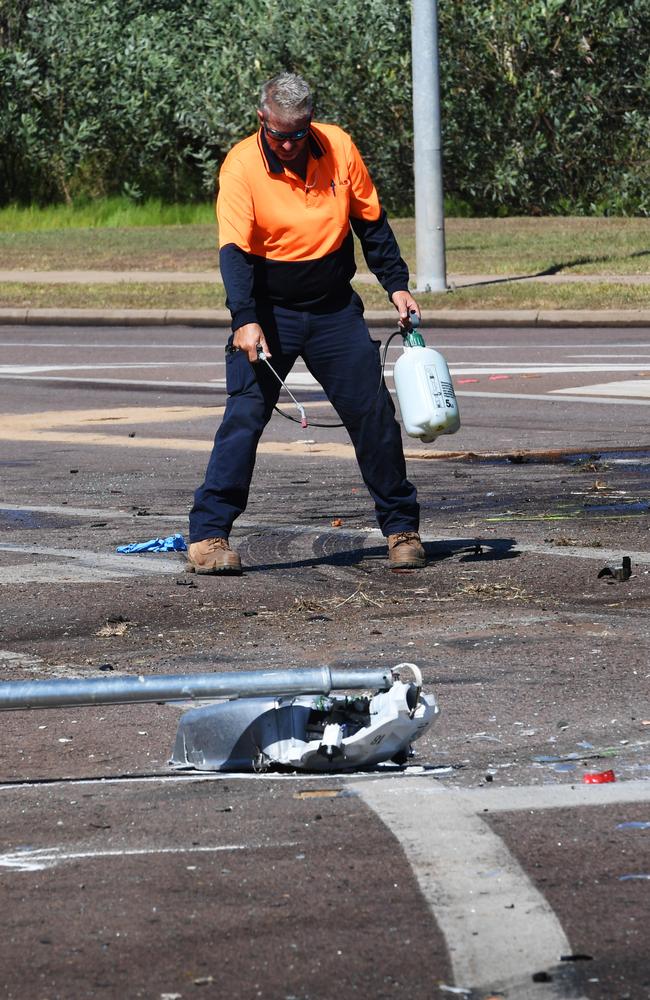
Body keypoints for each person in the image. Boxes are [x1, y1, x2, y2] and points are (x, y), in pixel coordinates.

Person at [188, 72, 425, 575]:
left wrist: (396, 284)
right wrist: (245, 319)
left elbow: (371, 223)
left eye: (300, 133)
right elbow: (234, 253)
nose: (291, 144)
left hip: (333, 309)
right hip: (268, 312)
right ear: (262, 120)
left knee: (373, 413)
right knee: (244, 418)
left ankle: (402, 528)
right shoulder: (242, 166)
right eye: (280, 134)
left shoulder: (337, 146)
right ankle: (209, 536)